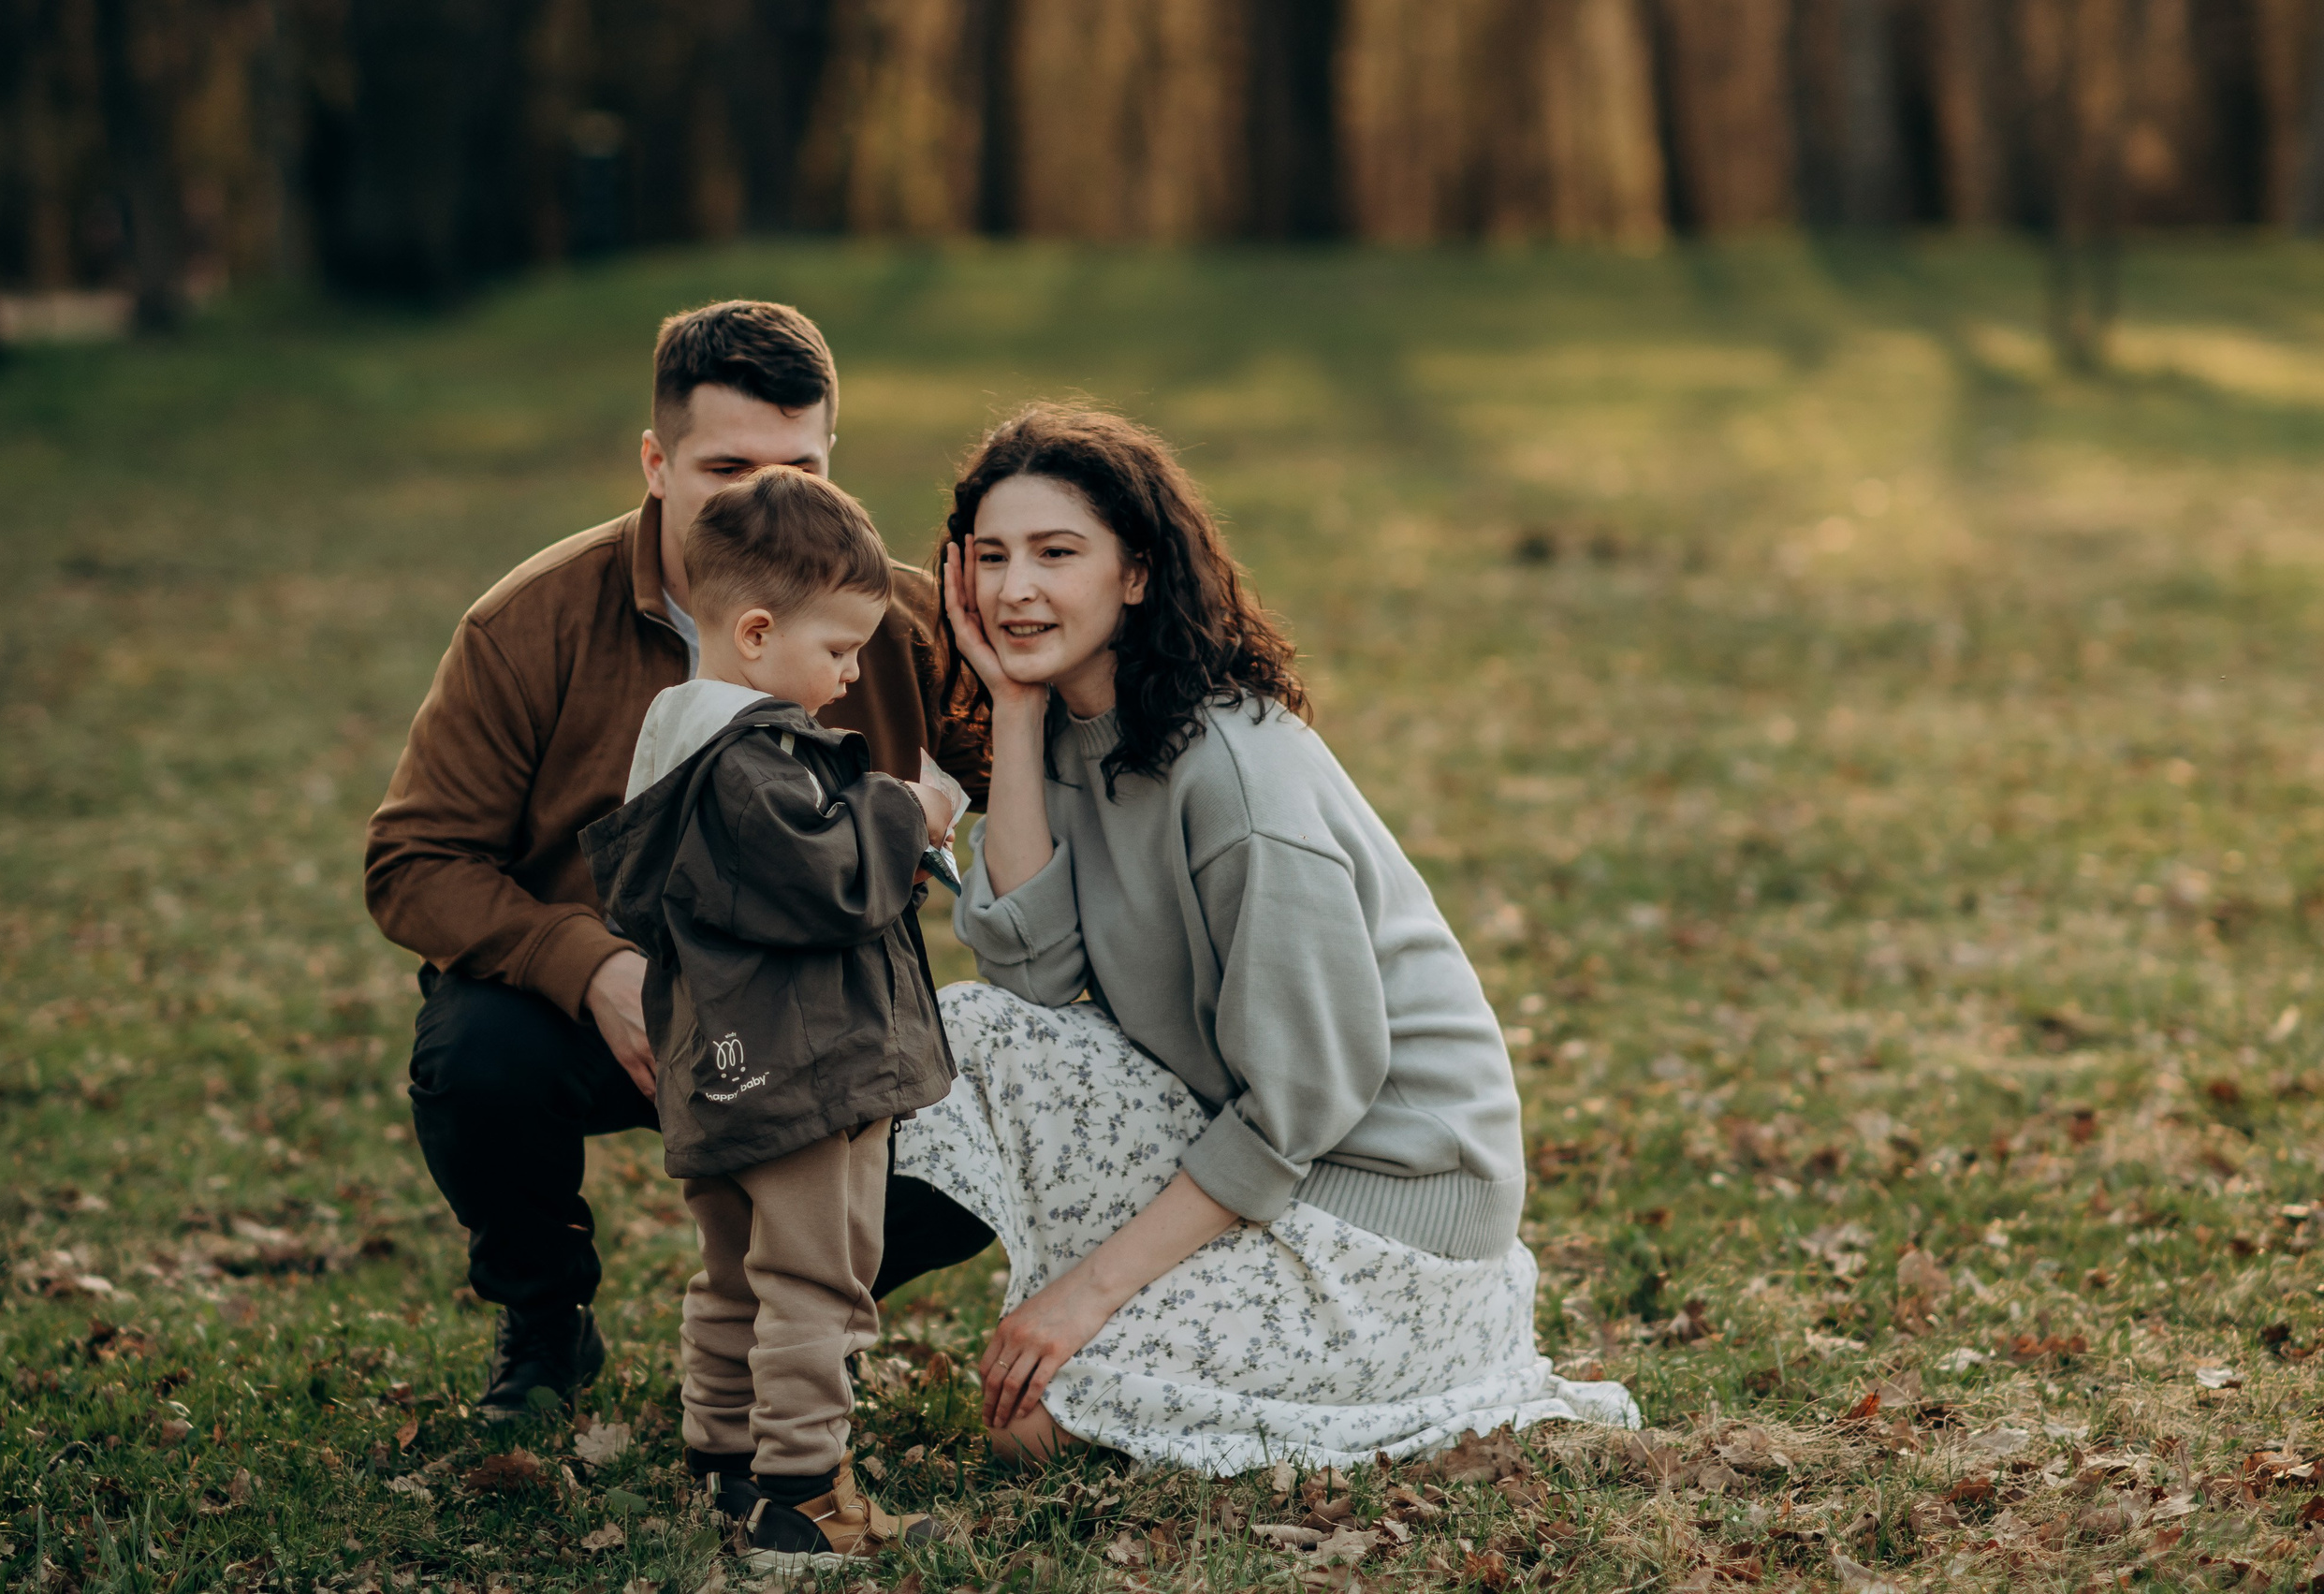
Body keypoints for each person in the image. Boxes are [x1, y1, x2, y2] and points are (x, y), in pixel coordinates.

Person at [900, 404, 1640, 1474]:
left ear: (1137, 573)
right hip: (1263, 1152)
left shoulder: (1236, 774)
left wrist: (1088, 1290)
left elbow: (1307, 1093)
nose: (1016, 590)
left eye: (1057, 554)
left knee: (1037, 1414)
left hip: (1390, 1207)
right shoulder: (1065, 728)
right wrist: (1012, 715)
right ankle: (777, 1350)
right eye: (994, 557)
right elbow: (1028, 975)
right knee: (970, 1032)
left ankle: (1434, 1379)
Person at [361, 300, 984, 1424]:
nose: (762, 499)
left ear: (831, 459)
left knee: (1013, 1096)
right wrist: (583, 961)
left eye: (797, 465)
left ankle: (792, 1304)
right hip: (612, 1018)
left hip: (815, 1023)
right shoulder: (530, 622)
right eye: (725, 465)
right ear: (656, 461)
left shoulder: (896, 621)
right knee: (472, 1052)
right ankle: (546, 1317)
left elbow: (1053, 745)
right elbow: (413, 857)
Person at [581, 467, 952, 1568]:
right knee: (816, 1278)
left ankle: (721, 1460)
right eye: (839, 651)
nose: (847, 679)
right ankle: (801, 1496)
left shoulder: (684, 752)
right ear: (753, 632)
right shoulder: (748, 764)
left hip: (730, 1071)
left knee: (736, 1271)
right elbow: (832, 879)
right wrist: (909, 807)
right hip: (799, 1079)